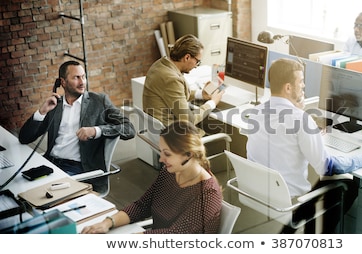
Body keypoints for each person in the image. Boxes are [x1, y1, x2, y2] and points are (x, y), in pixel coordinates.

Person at [244, 58, 362, 233]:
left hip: (261, 194)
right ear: (288, 88)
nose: (304, 86)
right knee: (348, 184)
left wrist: (302, 119)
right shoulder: (300, 119)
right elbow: (327, 167)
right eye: (300, 82)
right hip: (290, 201)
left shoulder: (255, 112)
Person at [81, 120, 223, 234]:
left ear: (189, 155)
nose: (161, 159)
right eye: (161, 152)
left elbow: (174, 235)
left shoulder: (208, 194)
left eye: (167, 154)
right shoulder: (169, 172)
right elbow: (141, 206)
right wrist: (107, 223)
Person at [18, 61, 135, 193]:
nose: (82, 82)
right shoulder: (55, 105)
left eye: (83, 76)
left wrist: (96, 131)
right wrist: (42, 112)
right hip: (49, 163)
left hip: (77, 168)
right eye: (76, 77)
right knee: (19, 188)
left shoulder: (99, 102)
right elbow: (24, 138)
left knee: (44, 195)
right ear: (62, 82)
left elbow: (129, 129)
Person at [142, 34, 224, 129]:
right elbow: (189, 120)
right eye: (197, 61)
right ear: (187, 57)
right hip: (173, 135)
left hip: (157, 131)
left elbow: (174, 94)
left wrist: (201, 94)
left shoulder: (159, 65)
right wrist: (212, 103)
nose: (197, 66)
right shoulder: (172, 79)